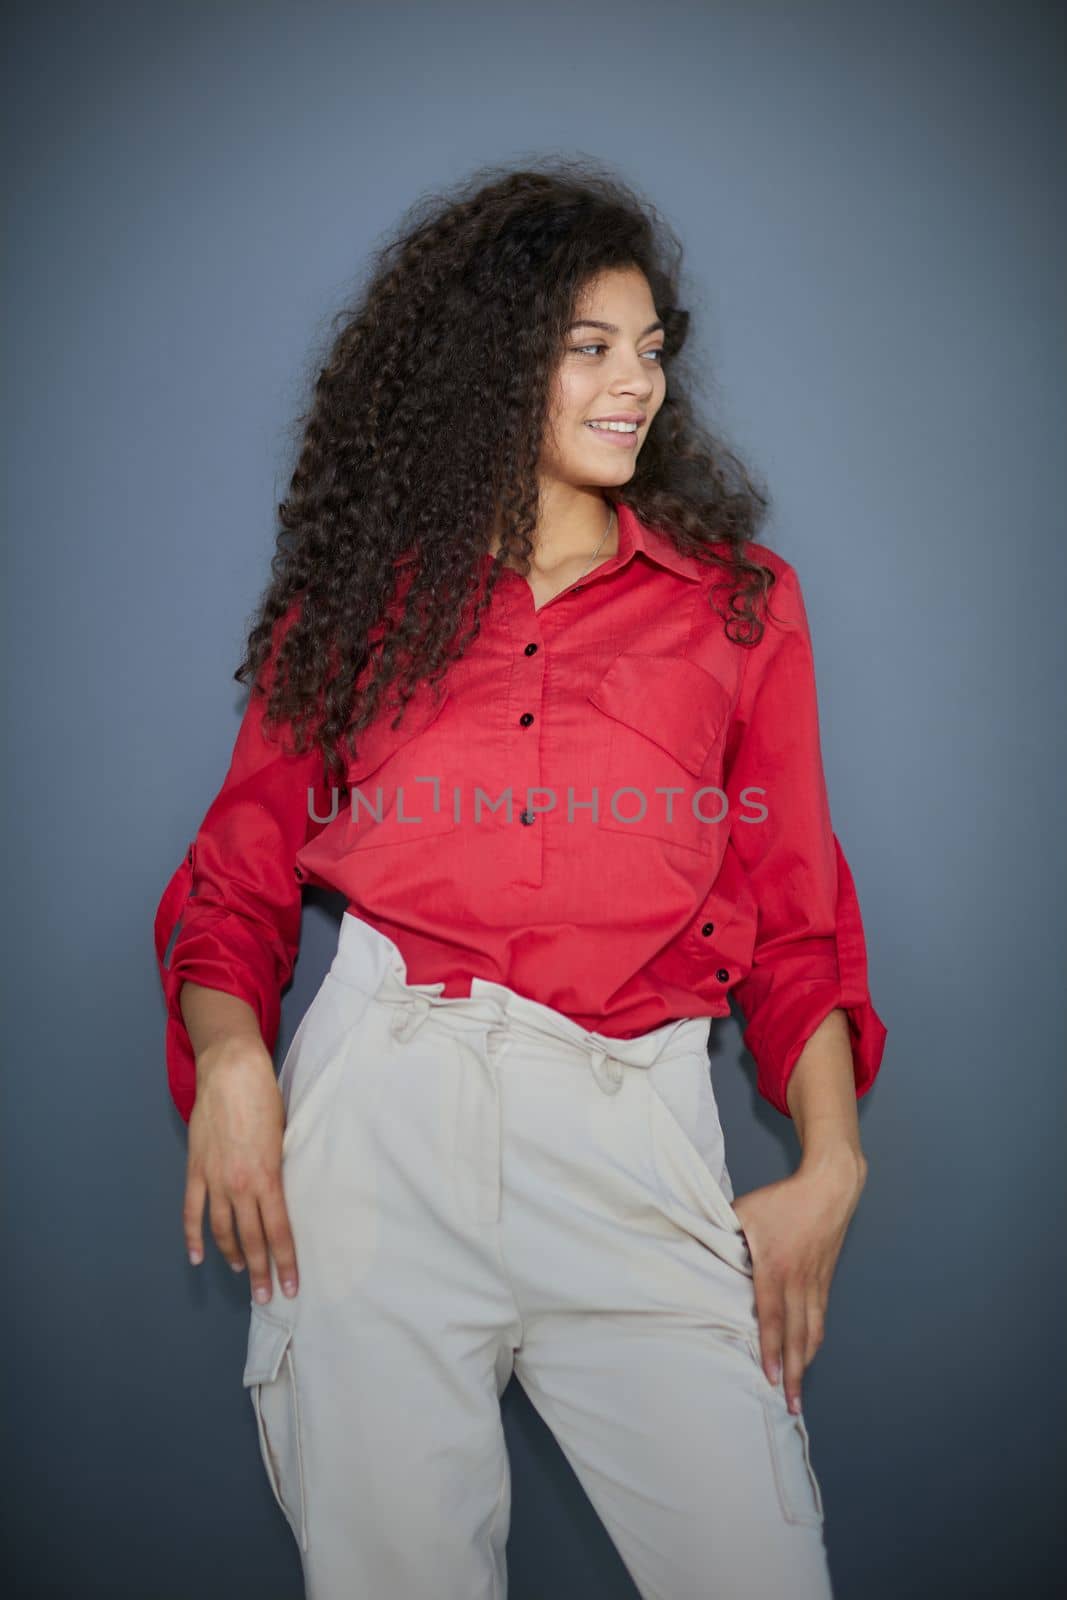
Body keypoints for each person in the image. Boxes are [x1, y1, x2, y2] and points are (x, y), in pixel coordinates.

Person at [153, 158, 887, 1599]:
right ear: (491, 370)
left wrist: (832, 1166)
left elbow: (801, 919)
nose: (639, 387)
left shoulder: (740, 607)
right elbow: (234, 884)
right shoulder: (359, 605)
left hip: (634, 1137)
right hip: (380, 1128)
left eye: (652, 352)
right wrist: (234, 1063)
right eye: (589, 349)